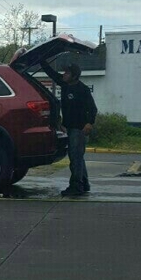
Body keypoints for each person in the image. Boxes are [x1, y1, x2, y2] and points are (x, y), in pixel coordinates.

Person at [40, 60, 98, 196]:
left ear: (74, 75)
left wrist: (90, 123)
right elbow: (52, 74)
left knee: (75, 157)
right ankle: (84, 184)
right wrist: (42, 62)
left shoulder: (82, 89)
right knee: (78, 157)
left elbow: (93, 109)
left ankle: (76, 187)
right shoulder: (65, 85)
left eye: (67, 72)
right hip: (70, 127)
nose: (64, 74)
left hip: (79, 129)